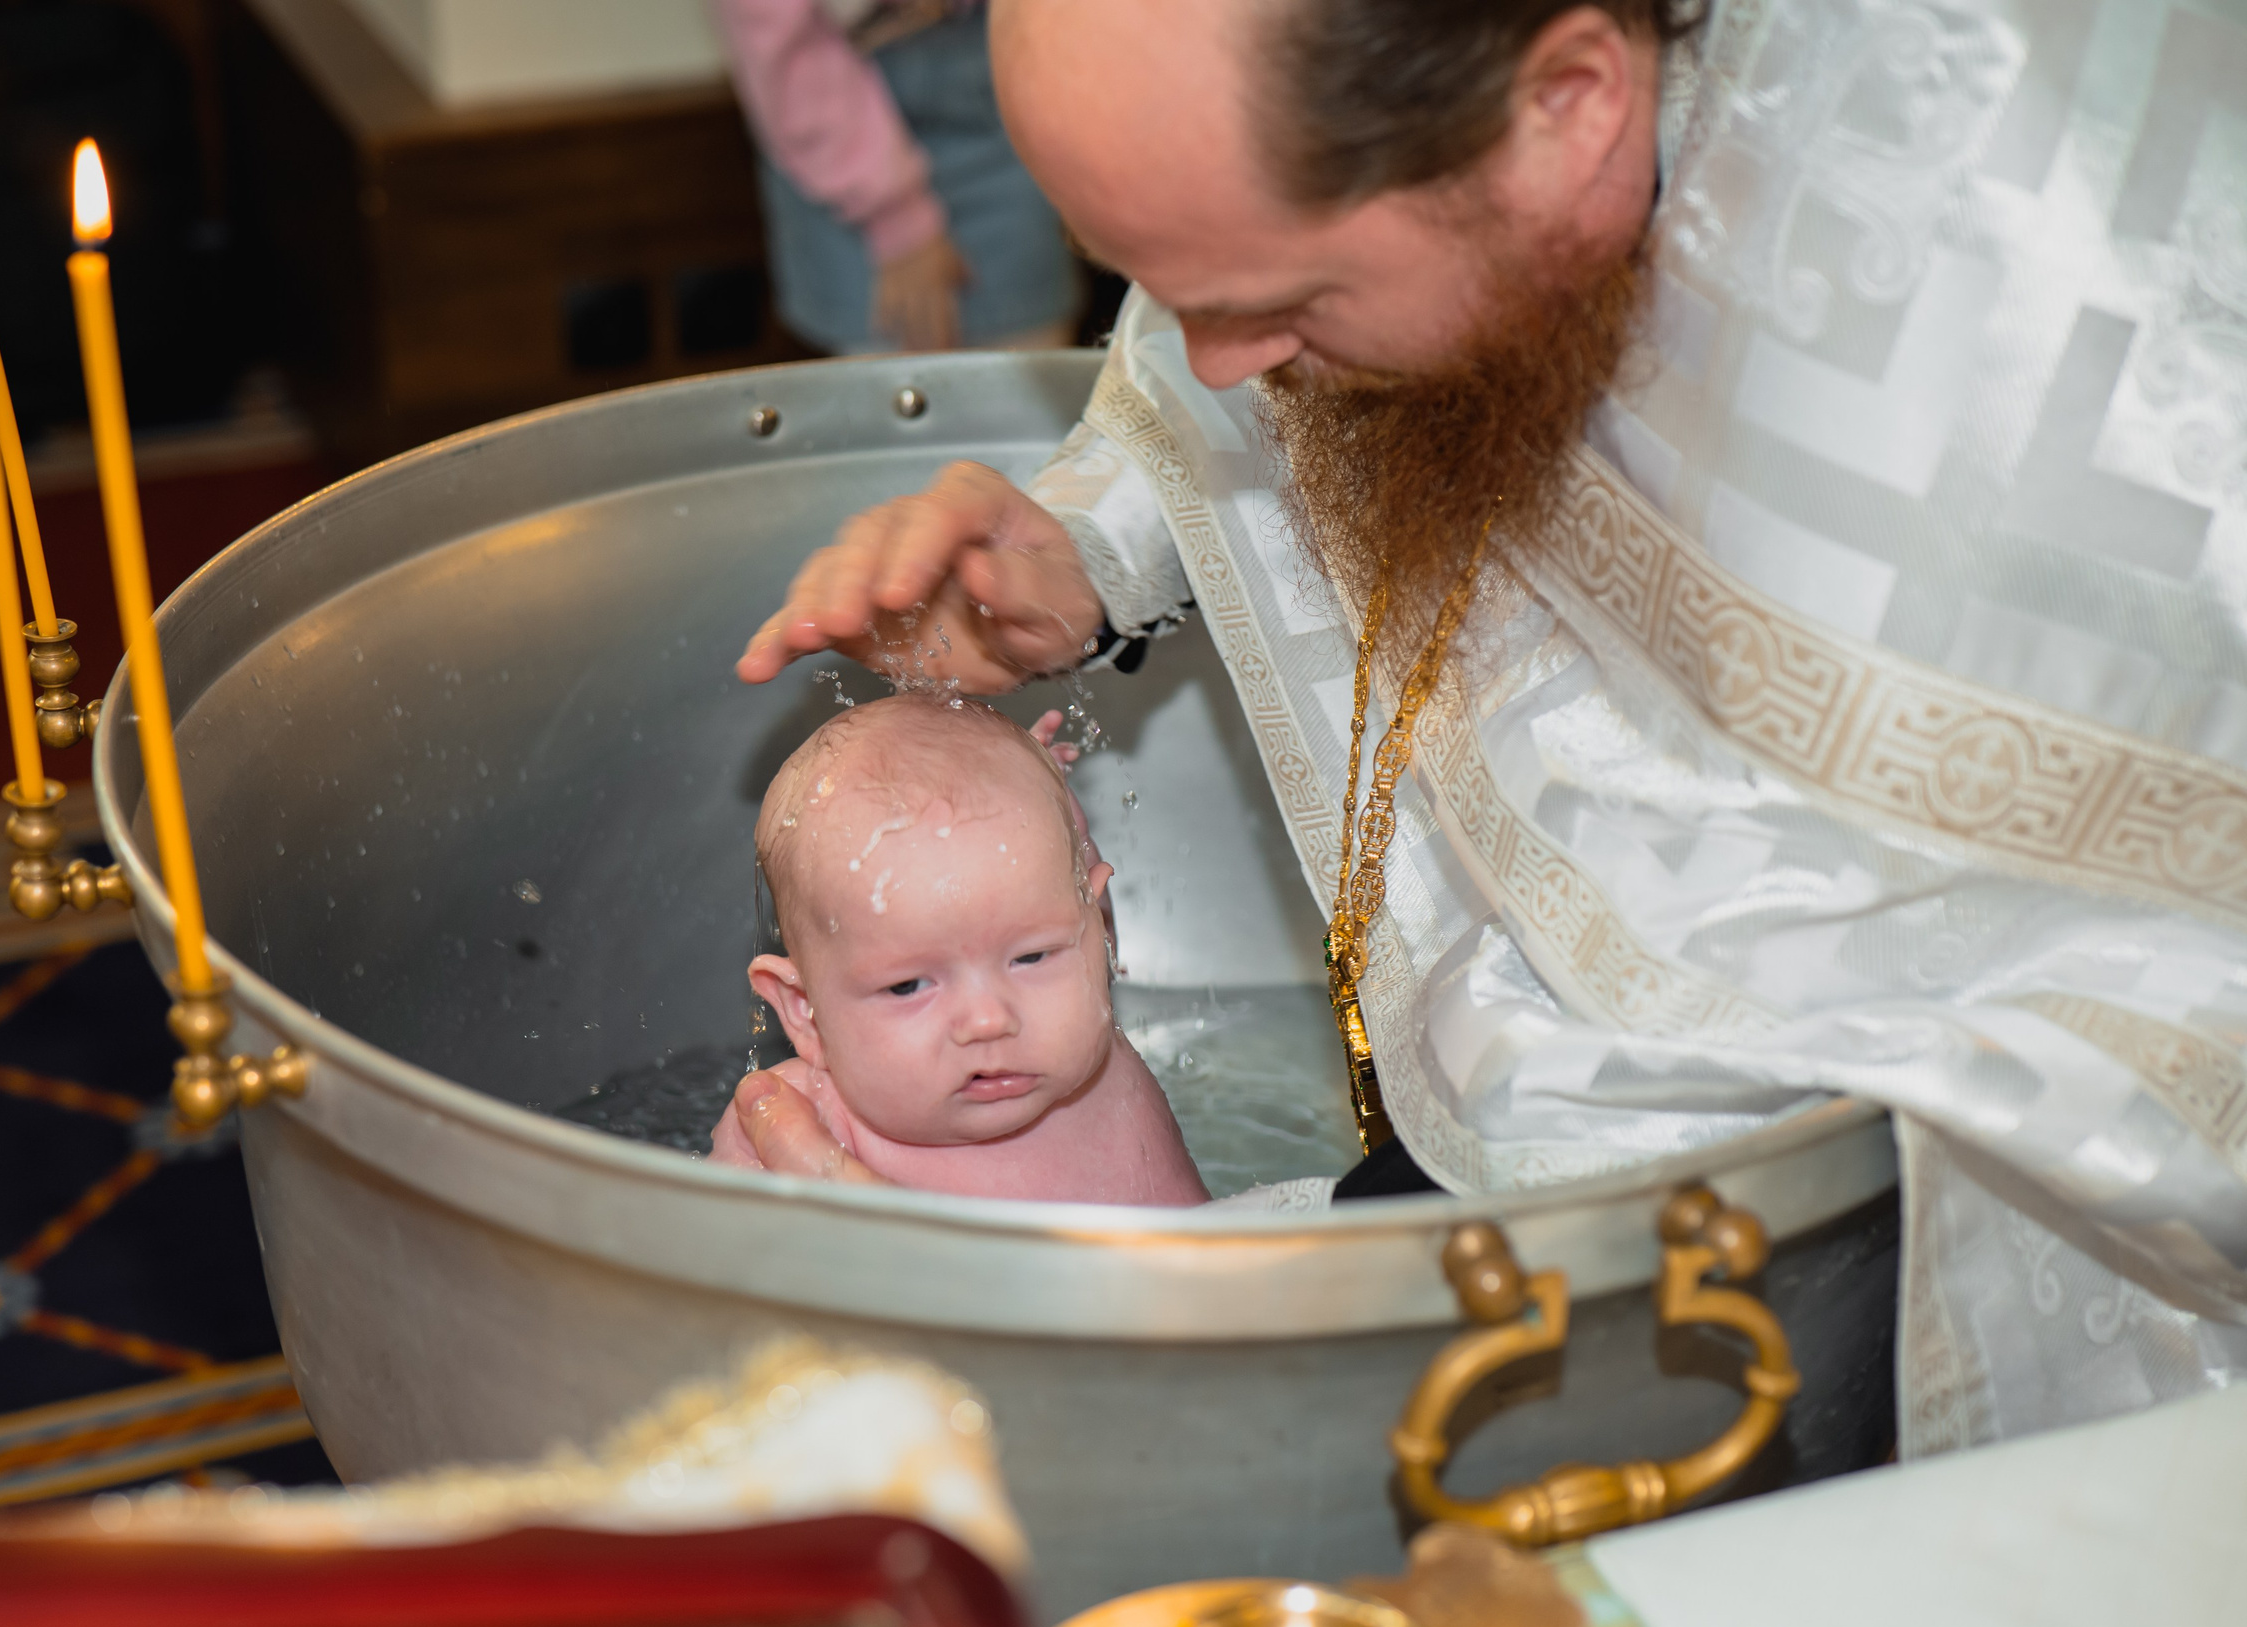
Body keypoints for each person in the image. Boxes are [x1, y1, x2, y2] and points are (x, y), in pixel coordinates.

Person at [728, 0, 2247, 1460]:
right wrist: (1088, 552)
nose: (1214, 362)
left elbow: (1848, 980)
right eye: (1160, 284)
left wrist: (1028, 1293)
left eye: (1280, 304)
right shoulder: (1410, 111)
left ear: (1569, 109)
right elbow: (1224, 341)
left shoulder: (2045, 322)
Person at [713, 694, 1209, 1204]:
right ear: (805, 1014)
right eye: (908, 985)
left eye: (1031, 957)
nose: (988, 1020)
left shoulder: (1091, 1050)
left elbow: (1080, 900)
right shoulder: (799, 1124)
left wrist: (1043, 804)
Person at [710, 0, 1080, 352]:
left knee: (1026, 374)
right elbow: (783, 48)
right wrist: (895, 216)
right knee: (888, 380)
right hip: (834, 117)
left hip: (1000, 64)